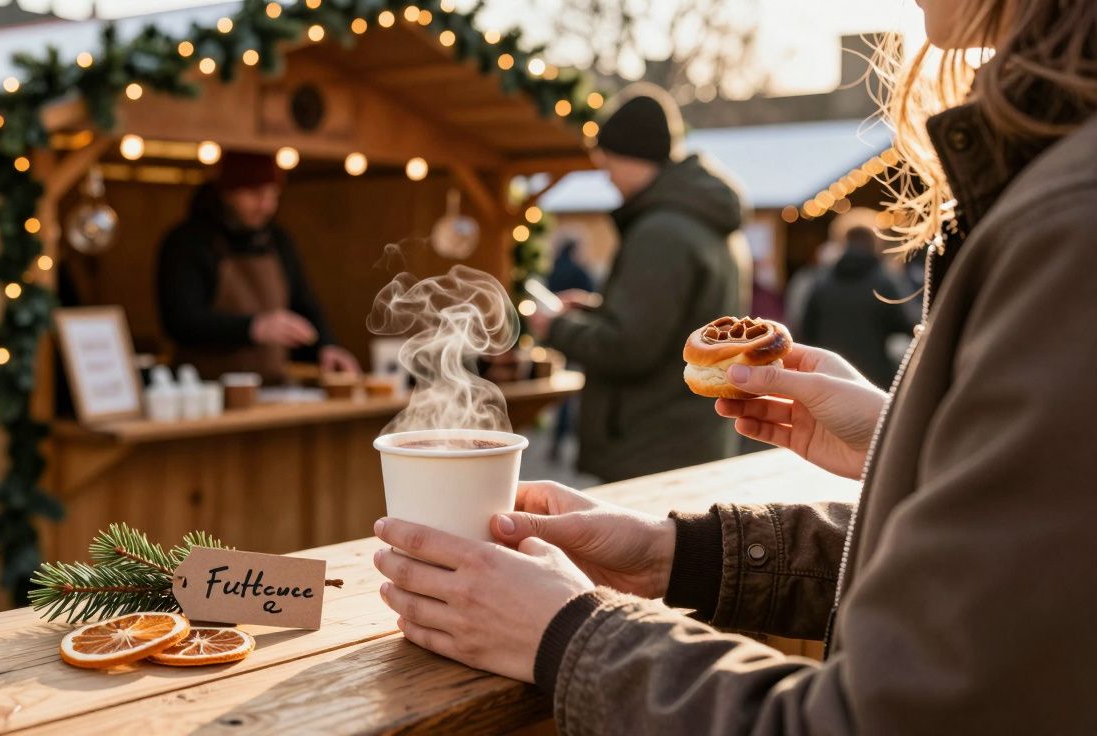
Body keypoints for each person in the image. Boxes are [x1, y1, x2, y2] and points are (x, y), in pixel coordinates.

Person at [372, 0, 1097, 731]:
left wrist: (566, 631)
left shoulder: (1068, 221)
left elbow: (888, 714)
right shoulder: (1053, 191)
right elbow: (999, 571)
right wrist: (680, 554)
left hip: (645, 435)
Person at [528, 83, 750, 482]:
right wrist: (596, 309)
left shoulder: (661, 233)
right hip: (690, 435)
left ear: (631, 157)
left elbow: (630, 348)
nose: (607, 177)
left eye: (608, 163)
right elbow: (672, 324)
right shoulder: (703, 223)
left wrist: (555, 326)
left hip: (652, 444)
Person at [157, 151, 359, 382]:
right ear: (228, 192)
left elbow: (304, 303)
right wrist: (253, 328)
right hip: (206, 390)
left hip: (271, 386)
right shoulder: (188, 241)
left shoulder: (277, 240)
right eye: (255, 194)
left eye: (273, 196)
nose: (266, 206)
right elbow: (181, 320)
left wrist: (326, 345)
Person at [800, 220, 916, 386]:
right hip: (873, 378)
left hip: (829, 375)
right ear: (874, 243)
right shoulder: (884, 282)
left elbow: (806, 331)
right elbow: (905, 324)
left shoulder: (822, 282)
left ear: (844, 242)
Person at [544, 239, 594, 463]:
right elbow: (592, 296)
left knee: (560, 384)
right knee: (574, 390)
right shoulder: (580, 272)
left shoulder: (553, 269)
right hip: (579, 337)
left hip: (556, 337)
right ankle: (568, 436)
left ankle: (557, 439)